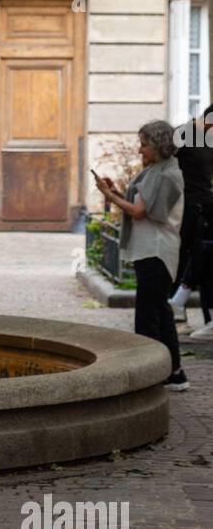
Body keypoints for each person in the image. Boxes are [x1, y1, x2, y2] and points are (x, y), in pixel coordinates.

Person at [93, 120, 188, 390]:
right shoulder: (158, 170)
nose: (139, 150)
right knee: (159, 312)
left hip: (156, 251)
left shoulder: (167, 174)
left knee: (149, 316)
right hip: (151, 250)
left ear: (158, 145)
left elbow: (139, 212)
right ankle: (174, 373)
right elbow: (140, 205)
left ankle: (152, 374)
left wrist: (108, 196)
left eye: (144, 144)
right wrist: (116, 193)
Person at [168, 102, 213, 340]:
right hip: (185, 210)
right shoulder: (184, 135)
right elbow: (163, 161)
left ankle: (207, 319)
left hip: (206, 207)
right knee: (185, 258)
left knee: (205, 261)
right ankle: (177, 313)